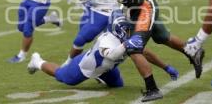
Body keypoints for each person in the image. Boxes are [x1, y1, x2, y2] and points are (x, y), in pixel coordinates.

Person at [80, 0, 204, 102]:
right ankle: (193, 51)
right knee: (162, 37)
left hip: (144, 6)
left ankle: (153, 89)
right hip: (131, 11)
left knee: (133, 48)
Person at [27, 10, 179, 87]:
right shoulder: (107, 40)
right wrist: (127, 44)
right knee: (62, 76)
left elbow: (146, 53)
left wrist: (167, 67)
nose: (132, 31)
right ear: (119, 28)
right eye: (129, 29)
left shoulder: (123, 36)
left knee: (118, 85)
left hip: (108, 68)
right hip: (87, 67)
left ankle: (101, 76)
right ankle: (37, 61)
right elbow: (112, 55)